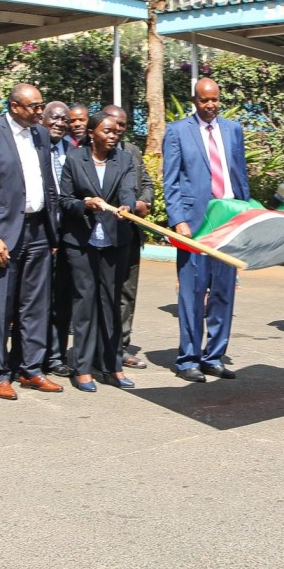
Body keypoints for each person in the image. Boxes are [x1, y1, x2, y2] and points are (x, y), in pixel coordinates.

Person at [0, 83, 61, 400]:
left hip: (38, 230)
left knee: (35, 305)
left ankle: (31, 369)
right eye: (34, 107)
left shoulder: (42, 135)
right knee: (2, 307)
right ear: (14, 106)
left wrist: (54, 232)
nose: (40, 112)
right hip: (5, 233)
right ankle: (0, 373)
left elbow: (48, 184)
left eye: (41, 106)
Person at [162, 78, 249, 382]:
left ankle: (214, 356)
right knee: (193, 292)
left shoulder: (233, 130)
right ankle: (188, 359)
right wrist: (177, 220)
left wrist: (245, 212)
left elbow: (240, 174)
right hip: (194, 223)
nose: (210, 106)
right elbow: (170, 180)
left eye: (214, 100)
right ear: (194, 101)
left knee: (224, 292)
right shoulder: (177, 131)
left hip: (228, 219)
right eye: (204, 101)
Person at [57, 110, 138, 392]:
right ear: (92, 133)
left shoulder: (124, 159)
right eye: (107, 131)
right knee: (85, 303)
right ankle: (82, 368)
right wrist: (85, 204)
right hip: (81, 242)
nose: (113, 135)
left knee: (110, 304)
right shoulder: (74, 158)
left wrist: (126, 206)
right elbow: (64, 199)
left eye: (116, 132)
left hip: (114, 241)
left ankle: (112, 367)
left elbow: (129, 190)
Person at [102, 105, 153, 370]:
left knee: (126, 292)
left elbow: (147, 184)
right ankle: (98, 348)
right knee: (102, 292)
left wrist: (143, 201)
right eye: (113, 124)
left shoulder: (132, 151)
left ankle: (121, 347)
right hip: (103, 234)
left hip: (130, 234)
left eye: (122, 125)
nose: (118, 130)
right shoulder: (93, 153)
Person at [42, 101, 75, 377]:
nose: (59, 123)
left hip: (67, 236)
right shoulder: (34, 149)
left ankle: (56, 355)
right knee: (36, 300)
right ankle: (33, 356)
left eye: (64, 120)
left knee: (62, 300)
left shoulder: (72, 151)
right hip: (38, 235)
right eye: (54, 118)